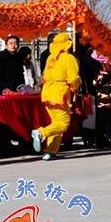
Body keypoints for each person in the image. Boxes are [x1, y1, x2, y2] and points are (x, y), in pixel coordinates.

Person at [31, 33, 80, 161]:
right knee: (63, 123)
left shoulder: (51, 57)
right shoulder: (69, 58)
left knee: (56, 123)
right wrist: (75, 88)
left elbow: (45, 76)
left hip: (48, 92)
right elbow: (73, 78)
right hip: (60, 93)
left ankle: (50, 151)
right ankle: (42, 133)